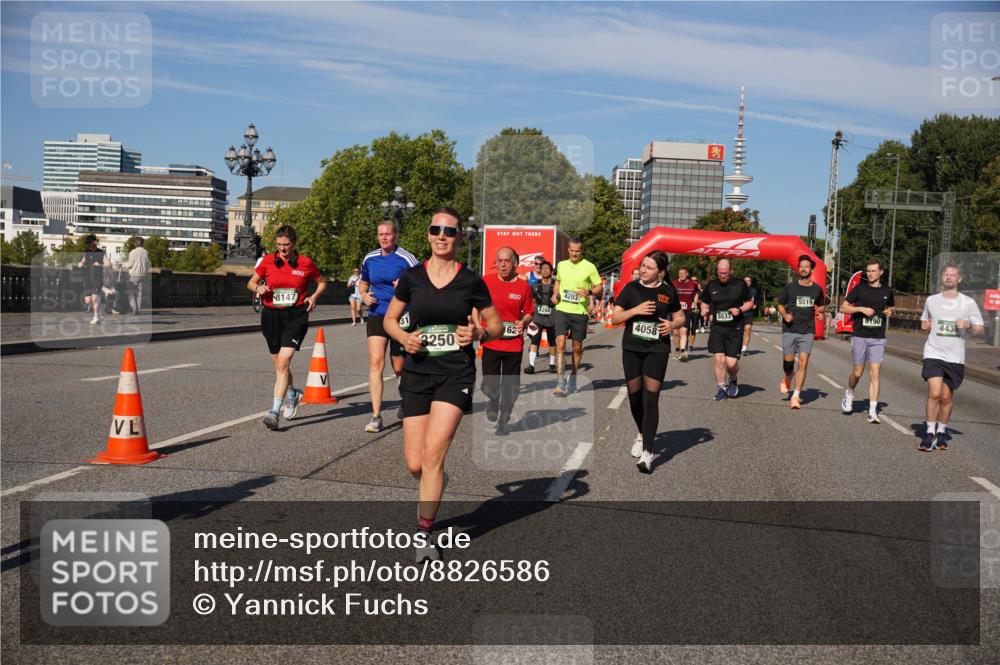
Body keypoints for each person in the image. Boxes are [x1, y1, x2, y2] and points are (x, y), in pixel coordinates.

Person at [384, 207, 501, 562]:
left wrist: (480, 332)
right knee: (416, 465)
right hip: (417, 373)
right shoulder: (412, 277)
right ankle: (435, 482)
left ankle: (424, 534)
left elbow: (495, 325)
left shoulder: (470, 281)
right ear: (428, 234)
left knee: (434, 455)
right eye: (436, 229)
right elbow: (390, 319)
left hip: (456, 373)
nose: (441, 236)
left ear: (459, 237)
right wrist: (404, 337)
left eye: (449, 231)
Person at [247, 225, 326, 430]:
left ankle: (274, 412)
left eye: (287, 245)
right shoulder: (267, 261)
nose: (282, 249)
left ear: (294, 244)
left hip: (296, 315)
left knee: (283, 361)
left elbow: (322, 282)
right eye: (280, 244)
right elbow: (251, 283)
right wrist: (259, 287)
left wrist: (313, 297)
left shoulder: (305, 263)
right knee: (279, 365)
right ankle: (292, 393)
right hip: (271, 315)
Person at [612, 251, 684, 473]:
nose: (643, 270)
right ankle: (642, 432)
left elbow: (681, 316)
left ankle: (648, 453)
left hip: (657, 349)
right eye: (642, 266)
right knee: (635, 399)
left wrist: (672, 325)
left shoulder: (667, 292)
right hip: (632, 349)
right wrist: (636, 310)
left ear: (660, 272)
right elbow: (614, 318)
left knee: (650, 399)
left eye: (649, 267)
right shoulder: (631, 289)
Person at [359, 221, 419, 432]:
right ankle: (376, 416)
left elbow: (422, 282)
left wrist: (405, 285)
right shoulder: (370, 258)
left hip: (401, 317)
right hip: (377, 314)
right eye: (381, 234)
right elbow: (363, 281)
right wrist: (364, 295)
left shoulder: (406, 258)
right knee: (376, 363)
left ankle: (406, 398)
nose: (384, 238)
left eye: (388, 234)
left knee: (399, 368)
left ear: (396, 235)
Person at [918, 264, 985, 451]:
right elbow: (925, 321)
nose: (948, 277)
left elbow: (980, 329)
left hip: (955, 357)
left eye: (952, 275)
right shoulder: (931, 300)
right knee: (935, 393)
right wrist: (925, 325)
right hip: (933, 352)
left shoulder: (968, 303)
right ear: (941, 278)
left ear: (959, 278)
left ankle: (941, 432)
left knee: (946, 398)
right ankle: (929, 433)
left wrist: (968, 325)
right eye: (945, 274)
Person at [480, 247, 534, 435]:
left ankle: (503, 421)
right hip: (491, 341)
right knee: (489, 384)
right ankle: (493, 402)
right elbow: (474, 304)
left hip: (513, 344)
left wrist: (523, 322)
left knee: (511, 386)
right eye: (499, 261)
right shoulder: (485, 282)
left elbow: (529, 312)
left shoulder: (524, 287)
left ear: (515, 264)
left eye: (507, 261)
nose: (502, 265)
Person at [840, 258, 895, 423]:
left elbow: (891, 307)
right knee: (857, 373)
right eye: (868, 271)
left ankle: (872, 411)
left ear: (881, 272)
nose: (870, 274)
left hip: (878, 337)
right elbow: (843, 307)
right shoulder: (860, 289)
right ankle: (849, 392)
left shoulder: (887, 291)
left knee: (875, 373)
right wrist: (860, 308)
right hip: (860, 336)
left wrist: (890, 311)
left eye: (873, 271)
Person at [552, 238, 603, 396]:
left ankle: (573, 377)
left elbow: (599, 288)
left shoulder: (589, 267)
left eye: (577, 251)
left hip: (579, 312)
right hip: (561, 309)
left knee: (576, 347)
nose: (574, 253)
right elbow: (558, 282)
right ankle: (560, 382)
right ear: (568, 249)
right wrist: (555, 294)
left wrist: (589, 292)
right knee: (560, 344)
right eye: (572, 250)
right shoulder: (561, 265)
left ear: (582, 251)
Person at [776, 255, 827, 409]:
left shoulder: (816, 289)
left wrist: (820, 313)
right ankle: (788, 376)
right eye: (801, 266)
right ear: (798, 269)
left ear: (811, 269)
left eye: (806, 266)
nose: (803, 268)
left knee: (804, 361)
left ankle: (796, 396)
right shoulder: (790, 287)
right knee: (788, 363)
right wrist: (785, 315)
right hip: (790, 329)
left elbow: (822, 306)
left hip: (807, 330)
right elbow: (780, 304)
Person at [700, 259, 754, 400]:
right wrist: (704, 310)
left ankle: (733, 378)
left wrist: (739, 310)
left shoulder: (740, 284)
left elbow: (749, 302)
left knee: (731, 364)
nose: (723, 275)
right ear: (717, 271)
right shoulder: (711, 285)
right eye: (720, 273)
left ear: (731, 271)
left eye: (726, 273)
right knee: (718, 359)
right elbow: (704, 302)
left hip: (734, 328)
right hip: (717, 327)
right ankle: (721, 387)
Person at [525, 260, 557, 374]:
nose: (544, 270)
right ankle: (531, 365)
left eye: (547, 268)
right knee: (535, 338)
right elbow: (530, 301)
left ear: (551, 271)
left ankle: (552, 365)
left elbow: (560, 299)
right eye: (542, 268)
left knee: (552, 340)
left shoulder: (556, 285)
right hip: (538, 316)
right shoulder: (534, 285)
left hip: (552, 316)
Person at [78, 235, 109, 324]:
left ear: (94, 242)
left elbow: (109, 264)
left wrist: (100, 264)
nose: (88, 245)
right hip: (87, 278)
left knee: (95, 298)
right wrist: (80, 263)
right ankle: (98, 312)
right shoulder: (86, 252)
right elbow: (83, 260)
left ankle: (96, 317)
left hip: (97, 278)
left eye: (90, 243)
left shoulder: (101, 252)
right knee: (88, 300)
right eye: (87, 244)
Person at [671, 266, 699, 361]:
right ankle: (677, 350)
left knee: (683, 331)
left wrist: (694, 303)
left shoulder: (693, 284)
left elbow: (696, 293)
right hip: (675, 310)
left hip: (687, 310)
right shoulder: (674, 283)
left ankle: (683, 352)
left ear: (687, 274)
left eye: (683, 273)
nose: (681, 275)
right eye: (680, 273)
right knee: (675, 332)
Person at [125, 237, 150, 315]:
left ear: (136, 243)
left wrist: (122, 264)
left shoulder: (133, 252)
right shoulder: (146, 252)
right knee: (139, 293)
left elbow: (130, 265)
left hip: (134, 275)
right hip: (143, 275)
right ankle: (138, 310)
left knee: (130, 292)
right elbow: (148, 264)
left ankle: (134, 309)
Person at [740, 275, 761, 356]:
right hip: (739, 314)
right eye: (745, 280)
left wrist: (755, 304)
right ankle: (737, 347)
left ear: (750, 282)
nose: (747, 282)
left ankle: (744, 349)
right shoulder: (738, 290)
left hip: (749, 313)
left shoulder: (754, 291)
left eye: (749, 280)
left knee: (748, 330)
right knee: (739, 332)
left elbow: (758, 301)